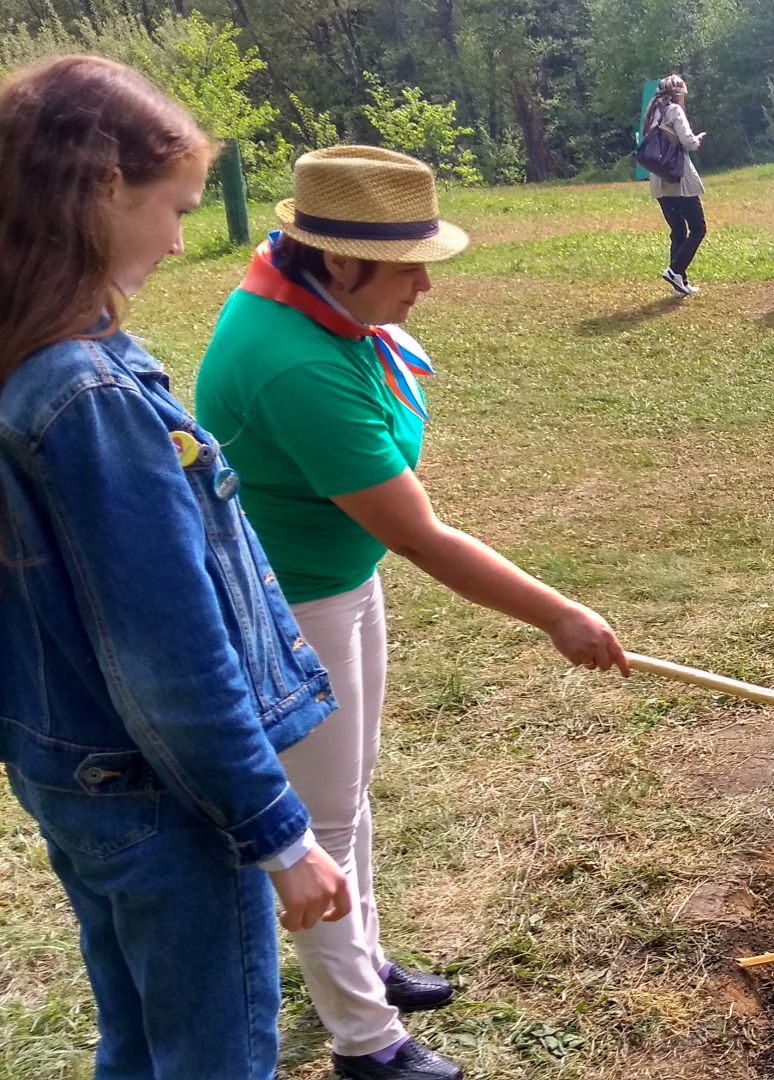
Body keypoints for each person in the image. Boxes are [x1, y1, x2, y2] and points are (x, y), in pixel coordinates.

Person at [196, 146, 630, 1080]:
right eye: (408, 266)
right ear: (340, 263)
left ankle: (361, 967)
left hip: (339, 581)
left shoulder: (331, 320)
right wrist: (558, 615)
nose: (426, 285)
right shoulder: (290, 361)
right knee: (317, 818)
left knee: (347, 798)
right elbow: (424, 537)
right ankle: (366, 1042)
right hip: (293, 605)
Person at [0, 55, 349, 1080]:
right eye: (175, 206)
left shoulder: (23, 362)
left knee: (142, 1041)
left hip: (76, 779)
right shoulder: (86, 394)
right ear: (103, 188)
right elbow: (171, 657)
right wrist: (278, 837)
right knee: (212, 1054)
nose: (182, 237)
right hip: (165, 798)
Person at [643, 75, 706, 297]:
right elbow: (688, 142)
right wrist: (697, 140)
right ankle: (675, 271)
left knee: (678, 230)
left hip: (659, 180)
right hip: (678, 179)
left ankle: (679, 283)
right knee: (698, 228)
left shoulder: (652, 110)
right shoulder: (674, 111)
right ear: (678, 92)